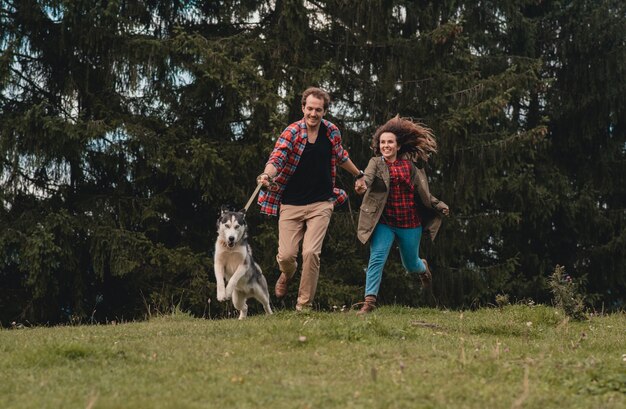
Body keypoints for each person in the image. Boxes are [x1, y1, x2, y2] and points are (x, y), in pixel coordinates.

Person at [257, 87, 365, 311]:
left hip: (321, 202)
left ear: (324, 111)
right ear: (303, 108)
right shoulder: (292, 132)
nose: (313, 114)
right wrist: (267, 174)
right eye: (310, 109)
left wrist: (359, 174)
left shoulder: (331, 131)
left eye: (318, 110)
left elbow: (341, 155)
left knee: (311, 253)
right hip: (291, 203)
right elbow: (277, 157)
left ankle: (303, 306)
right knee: (287, 256)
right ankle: (286, 274)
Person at [354, 115, 449, 314]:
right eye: (382, 142)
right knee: (377, 258)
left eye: (390, 142)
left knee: (410, 264)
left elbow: (423, 192)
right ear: (378, 145)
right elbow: (368, 178)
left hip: (409, 223)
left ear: (398, 146)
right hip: (384, 222)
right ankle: (369, 302)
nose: (386, 145)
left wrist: (439, 205)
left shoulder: (410, 167)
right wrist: (362, 185)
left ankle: (422, 268)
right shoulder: (375, 163)